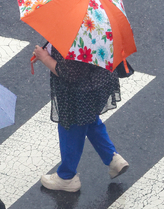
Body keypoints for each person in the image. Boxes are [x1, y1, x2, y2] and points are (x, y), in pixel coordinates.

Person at [31, 43, 129, 192]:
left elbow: (69, 73)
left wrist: (44, 57)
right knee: (90, 120)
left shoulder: (75, 41)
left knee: (70, 128)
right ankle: (112, 158)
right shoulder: (93, 30)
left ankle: (66, 177)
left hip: (80, 92)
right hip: (99, 83)